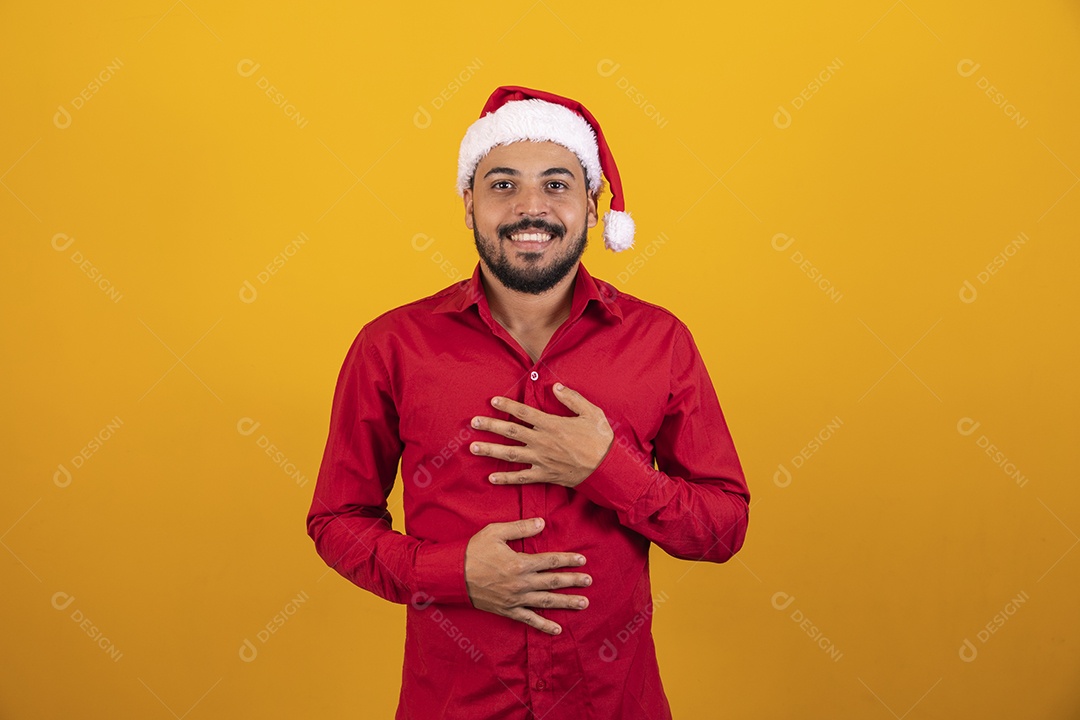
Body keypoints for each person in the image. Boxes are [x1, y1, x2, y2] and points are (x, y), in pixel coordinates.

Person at [306, 85, 750, 719]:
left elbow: (724, 526)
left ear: (594, 206)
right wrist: (448, 572)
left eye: (557, 185)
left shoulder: (661, 342)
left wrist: (609, 470)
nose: (531, 208)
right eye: (504, 185)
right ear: (469, 204)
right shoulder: (391, 346)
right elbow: (337, 520)